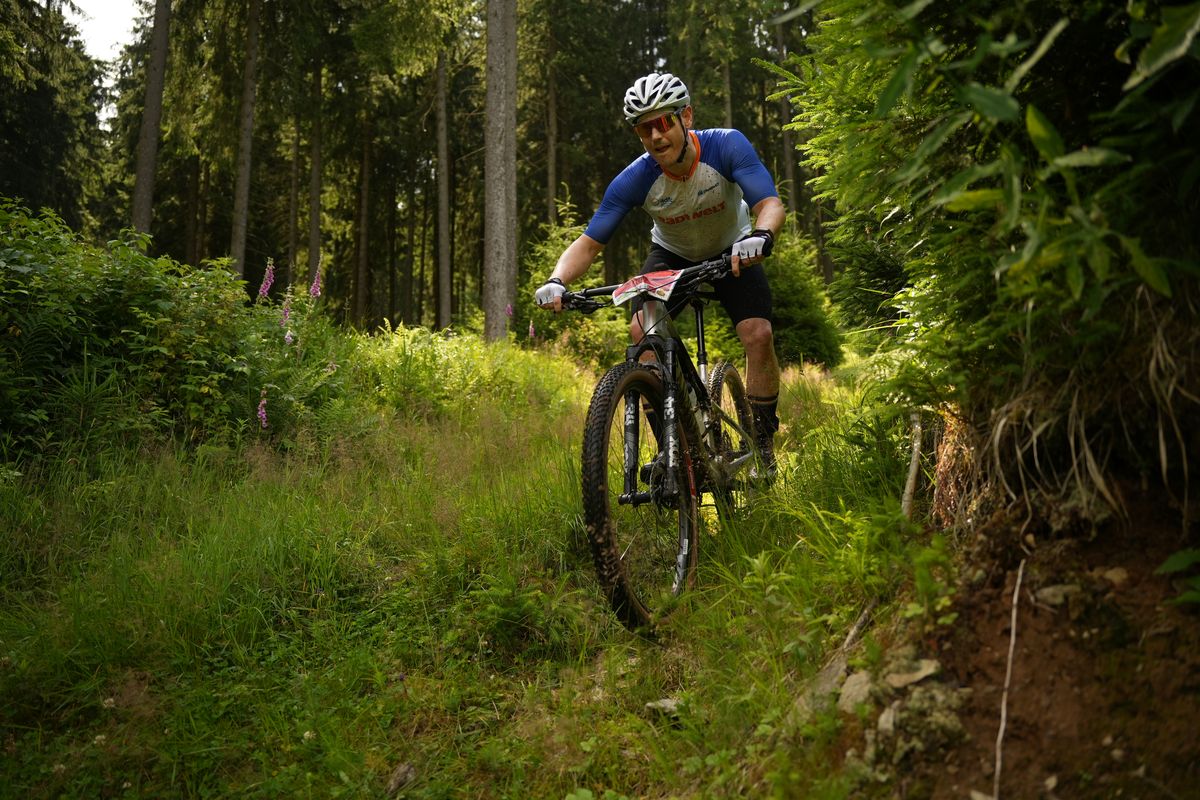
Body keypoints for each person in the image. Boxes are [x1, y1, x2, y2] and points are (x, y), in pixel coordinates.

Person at [535, 71, 785, 474]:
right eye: (644, 129)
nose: (655, 137)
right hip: (672, 254)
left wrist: (761, 234)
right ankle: (679, 446)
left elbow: (770, 204)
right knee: (642, 332)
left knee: (758, 334)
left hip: (733, 249)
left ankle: (762, 444)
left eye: (663, 122)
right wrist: (556, 280)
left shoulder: (725, 146)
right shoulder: (637, 177)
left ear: (686, 117)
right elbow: (589, 243)